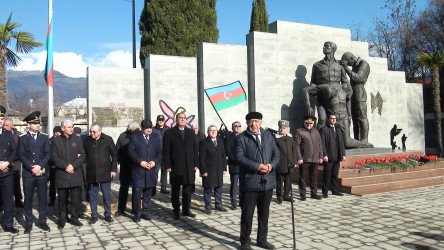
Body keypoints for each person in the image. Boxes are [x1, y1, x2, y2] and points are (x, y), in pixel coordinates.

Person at [235, 111, 280, 250]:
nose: (254, 124)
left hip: (267, 181)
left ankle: (262, 239)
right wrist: (258, 166)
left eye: (256, 121)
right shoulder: (242, 138)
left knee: (264, 213)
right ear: (247, 123)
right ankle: (245, 241)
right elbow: (240, 157)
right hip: (250, 182)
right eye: (251, 121)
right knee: (247, 214)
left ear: (261, 122)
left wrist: (271, 165)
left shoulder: (268, 136)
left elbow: (276, 153)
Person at [17, 111, 51, 233]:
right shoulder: (22, 138)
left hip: (41, 172)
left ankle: (42, 221)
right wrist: (32, 167)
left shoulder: (44, 137)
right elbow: (21, 154)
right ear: (28, 124)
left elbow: (48, 154)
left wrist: (40, 166)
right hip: (28, 173)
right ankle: (28, 222)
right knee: (28, 199)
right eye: (35, 123)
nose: (38, 125)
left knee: (42, 198)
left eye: (39, 123)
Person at [51, 119, 86, 229]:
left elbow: (83, 155)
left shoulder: (77, 139)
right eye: (69, 127)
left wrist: (73, 166)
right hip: (62, 174)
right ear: (62, 129)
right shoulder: (56, 141)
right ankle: (62, 218)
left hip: (75, 173)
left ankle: (74, 217)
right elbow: (54, 157)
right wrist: (66, 166)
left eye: (72, 127)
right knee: (62, 199)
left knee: (75, 198)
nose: (72, 129)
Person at [163, 112, 198, 220]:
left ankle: (186, 210)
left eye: (184, 118)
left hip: (189, 166)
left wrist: (196, 164)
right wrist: (167, 165)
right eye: (180, 118)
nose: (182, 120)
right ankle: (176, 210)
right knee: (175, 190)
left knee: (188, 190)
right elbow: (166, 150)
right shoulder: (169, 133)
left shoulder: (190, 133)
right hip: (176, 166)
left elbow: (195, 149)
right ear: (176, 119)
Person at [83, 123, 117, 224]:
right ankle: (94, 215)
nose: (92, 133)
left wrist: (113, 169)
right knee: (93, 195)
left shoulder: (107, 139)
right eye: (91, 131)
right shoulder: (86, 141)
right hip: (92, 172)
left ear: (100, 131)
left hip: (105, 172)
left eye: (94, 132)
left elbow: (114, 155)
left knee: (106, 195)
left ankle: (107, 214)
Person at [128, 119, 162, 222]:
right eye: (147, 128)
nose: (149, 130)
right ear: (142, 128)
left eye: (150, 128)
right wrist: (140, 162)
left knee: (148, 192)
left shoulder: (156, 137)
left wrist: (154, 162)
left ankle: (145, 212)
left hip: (150, 170)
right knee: (137, 192)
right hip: (138, 170)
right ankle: (137, 212)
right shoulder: (135, 137)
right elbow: (131, 152)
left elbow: (159, 152)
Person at [340, 52, 371, 142]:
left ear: (351, 59)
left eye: (348, 63)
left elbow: (359, 78)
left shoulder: (364, 64)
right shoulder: (355, 66)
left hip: (360, 93)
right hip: (353, 93)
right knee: (354, 118)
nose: (349, 65)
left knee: (362, 117)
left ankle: (364, 139)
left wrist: (346, 68)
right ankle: (357, 140)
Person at [199, 125, 227, 214]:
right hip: (209, 170)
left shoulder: (220, 141)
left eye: (215, 130)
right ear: (208, 132)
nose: (213, 132)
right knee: (208, 189)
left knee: (219, 188)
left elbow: (223, 155)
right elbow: (201, 158)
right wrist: (203, 170)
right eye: (211, 130)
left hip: (218, 170)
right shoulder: (204, 142)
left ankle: (218, 204)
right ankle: (208, 207)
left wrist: (224, 168)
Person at [295, 115, 323, 201]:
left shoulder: (316, 132)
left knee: (314, 177)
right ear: (304, 123)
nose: (309, 125)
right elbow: (297, 146)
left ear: (313, 123)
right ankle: (302, 194)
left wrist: (320, 156)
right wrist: (299, 158)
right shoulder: (300, 132)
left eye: (311, 123)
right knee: (303, 177)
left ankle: (313, 193)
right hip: (305, 159)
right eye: (307, 123)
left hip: (315, 159)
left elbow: (320, 145)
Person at [0, 105, 19, 233]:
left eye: (1, 119)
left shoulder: (7, 134)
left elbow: (14, 150)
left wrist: (7, 163)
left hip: (6, 171)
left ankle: (8, 223)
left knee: (8, 200)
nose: (0, 121)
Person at [115, 122, 140, 217]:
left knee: (136, 189)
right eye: (136, 131)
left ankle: (135, 209)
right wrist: (118, 161)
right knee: (124, 188)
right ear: (130, 130)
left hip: (137, 166)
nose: (138, 132)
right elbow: (117, 150)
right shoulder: (123, 136)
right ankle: (121, 209)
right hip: (125, 166)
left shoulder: (140, 136)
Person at [319, 113, 346, 198]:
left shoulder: (338, 129)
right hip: (329, 156)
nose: (334, 120)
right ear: (328, 119)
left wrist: (343, 154)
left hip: (337, 156)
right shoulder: (324, 129)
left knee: (335, 174)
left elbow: (341, 143)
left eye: (335, 118)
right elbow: (322, 143)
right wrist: (324, 155)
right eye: (332, 118)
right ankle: (325, 191)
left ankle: (335, 190)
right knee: (327, 174)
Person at [274, 120, 297, 204]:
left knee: (288, 180)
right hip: (280, 163)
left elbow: (293, 150)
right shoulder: (276, 138)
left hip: (289, 163)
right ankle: (279, 196)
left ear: (287, 129)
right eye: (280, 128)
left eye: (284, 128)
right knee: (279, 181)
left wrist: (294, 161)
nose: (282, 129)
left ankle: (286, 195)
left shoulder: (290, 138)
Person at [3, 118, 23, 208]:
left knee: (16, 181)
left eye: (7, 125)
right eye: (4, 125)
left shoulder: (18, 135)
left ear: (12, 126)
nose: (5, 127)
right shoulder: (2, 134)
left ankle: (18, 200)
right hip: (4, 162)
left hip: (15, 161)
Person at [224, 121, 242, 210]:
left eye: (239, 126)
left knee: (243, 184)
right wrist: (237, 160)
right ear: (232, 128)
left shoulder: (244, 136)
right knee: (234, 184)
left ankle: (242, 201)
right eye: (235, 126)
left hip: (244, 165)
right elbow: (228, 151)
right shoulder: (228, 138)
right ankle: (233, 202)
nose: (237, 127)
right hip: (234, 165)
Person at [153, 115, 169, 195]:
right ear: (157, 121)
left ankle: (163, 187)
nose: (161, 121)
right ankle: (153, 187)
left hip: (165, 154)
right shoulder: (153, 130)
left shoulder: (167, 130)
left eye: (162, 120)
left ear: (164, 121)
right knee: (155, 171)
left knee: (164, 171)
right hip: (156, 154)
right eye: (159, 120)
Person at [48, 126, 62, 206]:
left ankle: (63, 199)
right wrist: (52, 164)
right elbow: (49, 155)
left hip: (60, 166)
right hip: (53, 167)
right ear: (56, 133)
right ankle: (52, 199)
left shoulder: (61, 140)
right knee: (53, 184)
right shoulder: (50, 141)